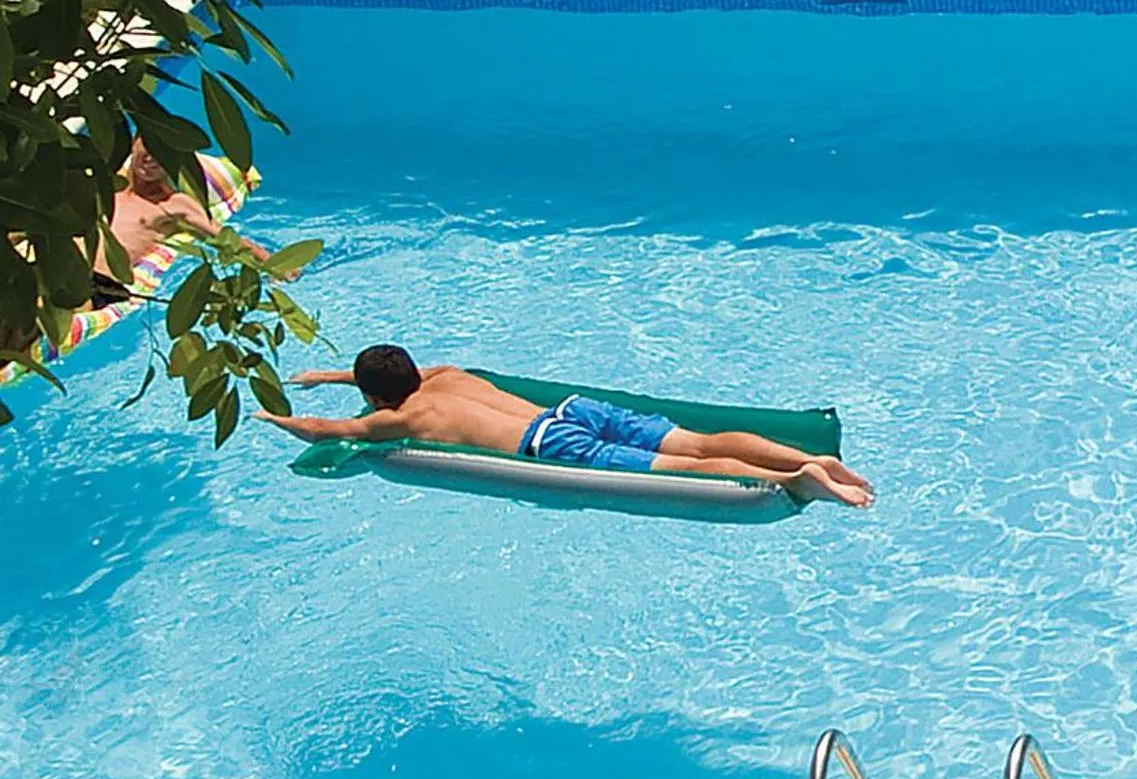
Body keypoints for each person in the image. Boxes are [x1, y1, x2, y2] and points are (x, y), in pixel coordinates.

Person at [258, 345, 874, 507]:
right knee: (699, 440)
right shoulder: (446, 375)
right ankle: (795, 452)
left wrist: (275, 415)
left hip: (551, 444)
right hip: (572, 411)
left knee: (688, 469)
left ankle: (800, 475)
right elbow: (401, 370)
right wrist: (337, 373)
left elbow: (324, 432)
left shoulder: (401, 419)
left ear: (375, 397)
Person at [89, 139, 272, 309]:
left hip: (100, 285)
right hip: (68, 267)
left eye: (165, 154)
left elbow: (227, 240)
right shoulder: (109, 187)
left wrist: (275, 266)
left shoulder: (173, 204)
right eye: (149, 145)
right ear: (135, 142)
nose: (153, 156)